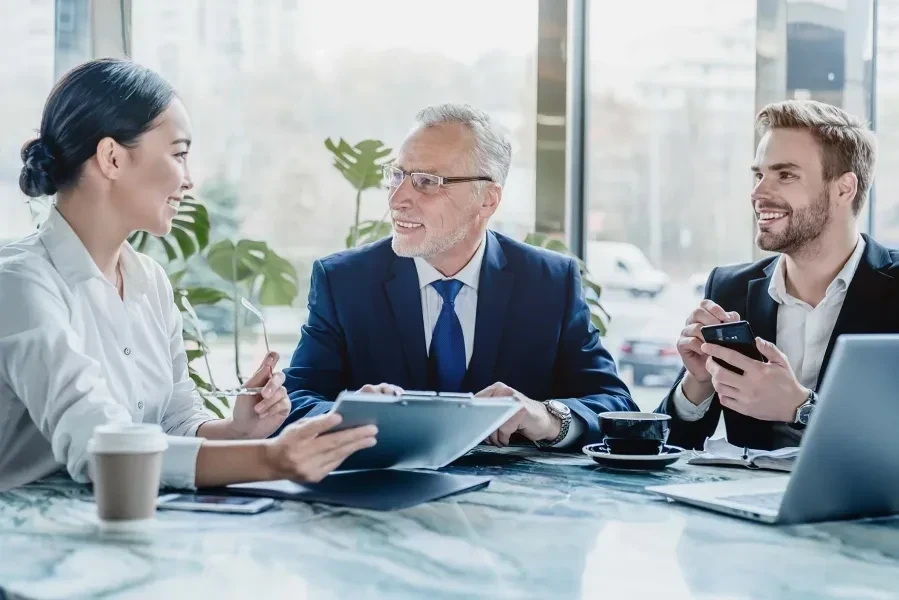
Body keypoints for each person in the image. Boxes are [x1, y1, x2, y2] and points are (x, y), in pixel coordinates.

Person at [0, 58, 376, 492]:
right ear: (112, 158)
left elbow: (175, 424)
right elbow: (102, 450)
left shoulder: (150, 281)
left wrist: (238, 431)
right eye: (179, 154)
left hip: (130, 527)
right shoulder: (21, 284)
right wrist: (269, 458)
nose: (189, 180)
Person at [280, 103, 636, 450]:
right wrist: (348, 416)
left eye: (426, 182)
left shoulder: (549, 282)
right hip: (383, 498)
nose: (397, 199)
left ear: (487, 200)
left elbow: (615, 404)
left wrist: (545, 417)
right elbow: (294, 401)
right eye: (397, 175)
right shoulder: (344, 281)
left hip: (512, 502)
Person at [658, 99, 899, 451]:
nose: (758, 193)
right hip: (742, 502)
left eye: (785, 175)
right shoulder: (730, 289)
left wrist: (801, 409)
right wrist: (697, 384)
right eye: (759, 174)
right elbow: (672, 447)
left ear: (844, 189)